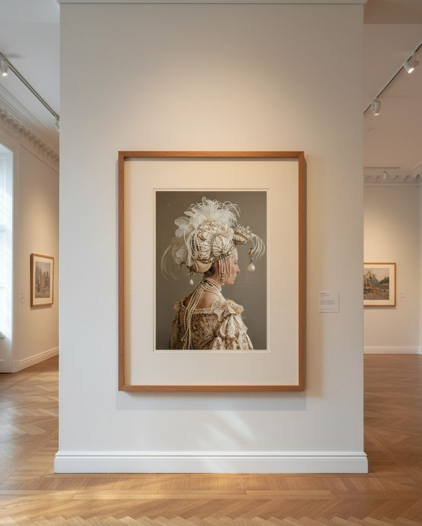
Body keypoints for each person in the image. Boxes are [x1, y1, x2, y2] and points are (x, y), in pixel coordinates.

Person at [161, 197, 265, 350]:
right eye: (235, 263)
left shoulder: (187, 302)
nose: (238, 269)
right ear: (221, 264)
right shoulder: (223, 311)